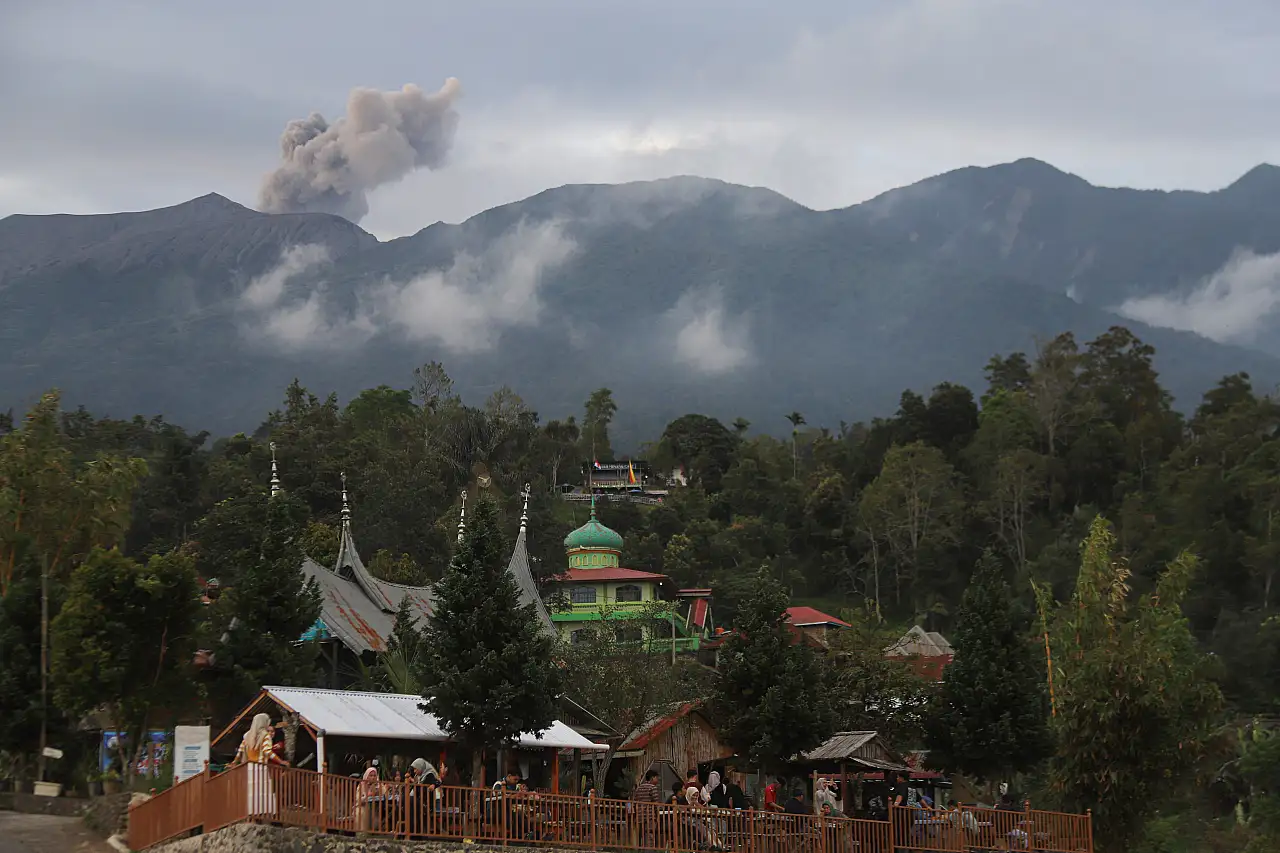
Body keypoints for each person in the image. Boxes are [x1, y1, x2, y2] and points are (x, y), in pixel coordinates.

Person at [233, 713, 283, 816]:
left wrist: (234, 763)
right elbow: (267, 752)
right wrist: (281, 761)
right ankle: (263, 814)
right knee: (262, 792)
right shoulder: (265, 735)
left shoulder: (247, 735)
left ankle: (252, 814)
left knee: (252, 793)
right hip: (261, 768)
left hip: (250, 768)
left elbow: (240, 751)